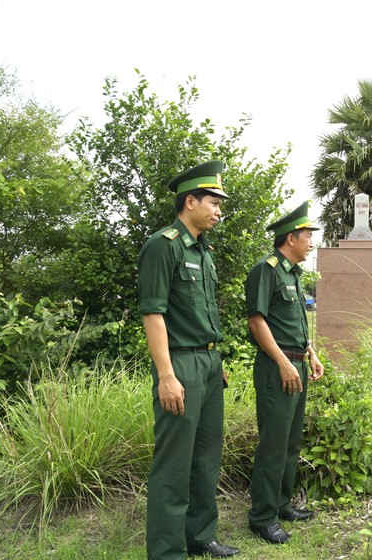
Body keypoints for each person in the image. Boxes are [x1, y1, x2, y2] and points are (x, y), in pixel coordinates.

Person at [138, 161, 240, 559]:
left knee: (206, 456)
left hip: (208, 366)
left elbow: (201, 312)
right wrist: (166, 375)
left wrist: (215, 358)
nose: (218, 210)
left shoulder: (203, 250)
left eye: (220, 203)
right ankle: (167, 551)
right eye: (213, 202)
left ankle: (200, 536)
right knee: (174, 463)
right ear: (190, 201)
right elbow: (153, 313)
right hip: (179, 366)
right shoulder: (163, 245)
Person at [245, 200, 325, 544]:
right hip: (277, 368)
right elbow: (257, 321)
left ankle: (281, 503)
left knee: (291, 441)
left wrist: (311, 354)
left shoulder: (293, 273)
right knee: (274, 443)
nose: (311, 241)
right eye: (308, 235)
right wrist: (281, 362)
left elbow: (292, 324)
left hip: (296, 364)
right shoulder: (267, 269)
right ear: (291, 238)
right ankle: (262, 516)